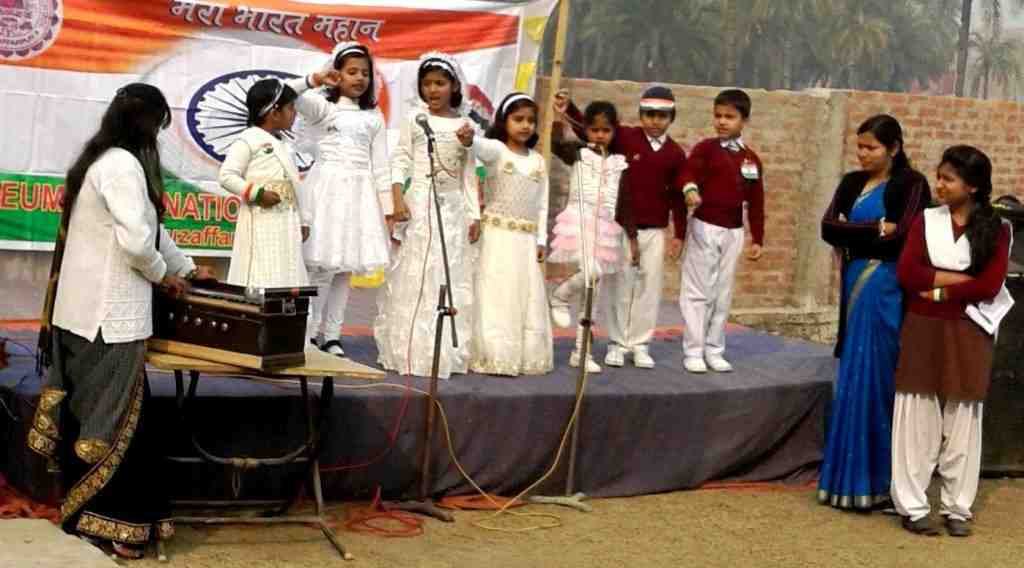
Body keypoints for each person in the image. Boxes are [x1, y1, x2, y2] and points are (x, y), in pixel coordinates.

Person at [28, 84, 214, 559]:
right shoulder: (124, 166)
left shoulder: (101, 161)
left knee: (93, 419)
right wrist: (164, 278)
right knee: (117, 427)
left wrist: (187, 269)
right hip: (109, 319)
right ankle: (112, 525)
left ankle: (84, 514)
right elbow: (137, 245)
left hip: (83, 315)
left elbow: (153, 230)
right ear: (149, 126)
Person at [892, 145, 1012, 537]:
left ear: (973, 186)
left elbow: (991, 284)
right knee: (917, 411)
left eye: (949, 179)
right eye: (939, 176)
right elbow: (909, 274)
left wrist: (941, 288)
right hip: (923, 325)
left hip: (970, 328)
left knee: (963, 416)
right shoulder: (925, 221)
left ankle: (957, 507)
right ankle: (912, 505)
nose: (939, 184)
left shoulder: (999, 229)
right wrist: (963, 281)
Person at [817, 114, 931, 510]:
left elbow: (906, 236)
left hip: (886, 289)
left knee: (879, 379)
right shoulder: (851, 182)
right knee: (851, 377)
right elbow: (828, 227)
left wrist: (868, 230)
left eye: (871, 148)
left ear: (894, 148)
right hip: (855, 286)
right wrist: (875, 229)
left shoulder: (912, 184)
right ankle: (843, 482)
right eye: (860, 147)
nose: (863, 154)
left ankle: (879, 482)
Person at [555, 86, 687, 369]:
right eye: (649, 114)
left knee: (648, 288)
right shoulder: (625, 137)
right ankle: (616, 343)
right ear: (640, 115)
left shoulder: (675, 153)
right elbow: (591, 131)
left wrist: (680, 234)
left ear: (671, 117)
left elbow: (678, 197)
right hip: (620, 227)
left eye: (662, 116)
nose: (655, 121)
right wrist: (569, 109)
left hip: (654, 230)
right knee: (618, 285)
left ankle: (640, 344)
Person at [373, 51, 481, 378]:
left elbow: (469, 173)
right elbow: (400, 160)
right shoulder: (414, 121)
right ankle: (410, 348)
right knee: (417, 272)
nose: (433, 90)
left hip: (452, 210)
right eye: (427, 84)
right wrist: (397, 199)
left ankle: (443, 351)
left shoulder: (466, 126)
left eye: (440, 83)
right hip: (419, 204)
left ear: (453, 86)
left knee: (448, 275)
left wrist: (474, 214)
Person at [286, 42, 391, 356]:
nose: (359, 78)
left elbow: (381, 165)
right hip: (327, 192)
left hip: (358, 195)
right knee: (321, 267)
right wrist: (314, 80)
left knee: (345, 269)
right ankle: (307, 333)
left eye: (365, 73)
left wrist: (387, 210)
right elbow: (284, 94)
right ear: (338, 73)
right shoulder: (323, 108)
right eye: (351, 71)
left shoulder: (373, 118)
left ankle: (331, 334)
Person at [677, 89, 765, 374]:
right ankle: (693, 349)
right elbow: (687, 173)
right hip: (705, 226)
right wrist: (690, 190)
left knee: (722, 292)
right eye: (718, 116)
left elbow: (757, 201)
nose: (722, 122)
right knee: (697, 291)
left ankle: (715, 349)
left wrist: (758, 237)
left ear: (744, 120)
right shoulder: (706, 149)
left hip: (733, 231)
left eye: (730, 117)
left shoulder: (751, 160)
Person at [469, 92, 553, 376]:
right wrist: (466, 134)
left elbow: (542, 204)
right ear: (504, 122)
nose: (525, 126)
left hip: (525, 242)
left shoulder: (539, 162)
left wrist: (541, 239)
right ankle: (493, 354)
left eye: (531, 120)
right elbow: (475, 145)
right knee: (496, 292)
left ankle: (523, 356)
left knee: (525, 295)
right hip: (496, 238)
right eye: (518, 119)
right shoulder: (496, 151)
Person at [548, 100, 636, 373]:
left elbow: (625, 202)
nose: (599, 135)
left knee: (593, 292)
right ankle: (560, 295)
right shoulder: (578, 153)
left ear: (613, 132)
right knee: (591, 274)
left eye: (605, 130)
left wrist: (631, 237)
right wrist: (557, 122)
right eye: (594, 129)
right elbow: (555, 144)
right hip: (580, 221)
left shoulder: (619, 162)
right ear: (585, 130)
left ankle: (581, 351)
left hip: (606, 227)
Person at [219, 78, 309, 288]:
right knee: (262, 267)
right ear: (274, 113)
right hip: (261, 218)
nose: (294, 113)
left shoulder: (284, 145)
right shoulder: (248, 139)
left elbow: (295, 186)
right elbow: (227, 175)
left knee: (287, 268)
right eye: (290, 108)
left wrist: (304, 221)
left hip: (287, 220)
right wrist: (257, 194)